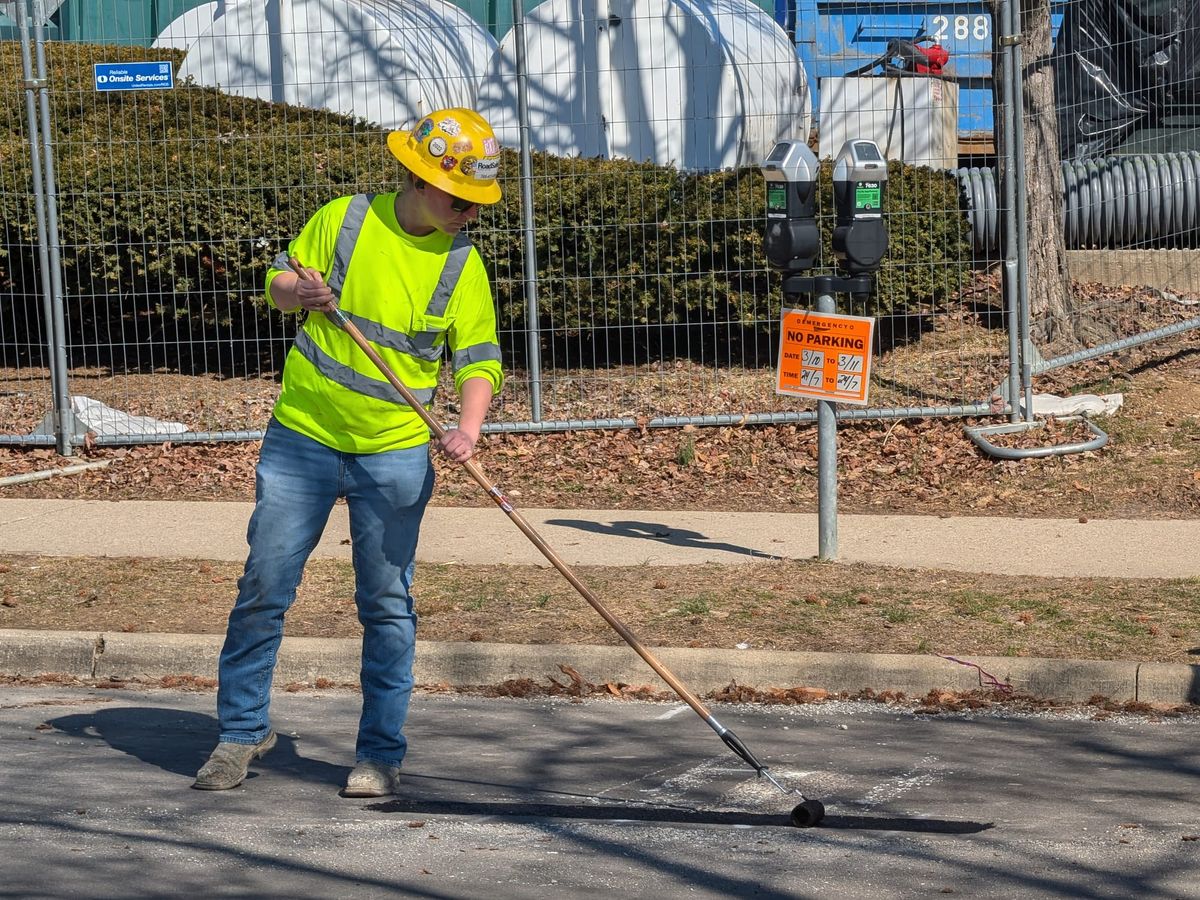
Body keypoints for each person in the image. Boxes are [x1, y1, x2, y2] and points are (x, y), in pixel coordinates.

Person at [193, 108, 505, 797]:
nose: (467, 215)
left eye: (477, 206)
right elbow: (277, 284)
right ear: (421, 180)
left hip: (393, 453)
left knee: (386, 604)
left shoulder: (463, 263)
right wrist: (296, 291)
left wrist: (468, 427)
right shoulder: (346, 219)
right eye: (460, 200)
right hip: (302, 437)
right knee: (264, 589)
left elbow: (479, 357)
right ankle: (240, 734)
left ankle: (379, 754)